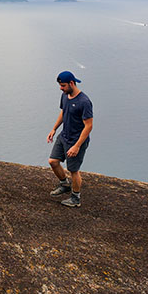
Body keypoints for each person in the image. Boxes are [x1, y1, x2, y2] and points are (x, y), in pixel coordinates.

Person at [47, 71, 93, 207]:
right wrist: (54, 129)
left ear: (72, 83)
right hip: (64, 136)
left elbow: (89, 126)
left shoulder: (84, 102)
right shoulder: (65, 95)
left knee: (74, 171)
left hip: (76, 141)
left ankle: (76, 198)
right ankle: (64, 184)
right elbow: (63, 112)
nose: (61, 88)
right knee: (53, 161)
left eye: (63, 85)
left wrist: (77, 145)